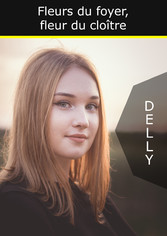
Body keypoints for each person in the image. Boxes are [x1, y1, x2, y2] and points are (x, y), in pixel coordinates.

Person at [0, 48, 136, 236]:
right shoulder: (14, 205)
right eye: (64, 103)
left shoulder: (93, 198)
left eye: (91, 106)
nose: (83, 121)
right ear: (31, 111)